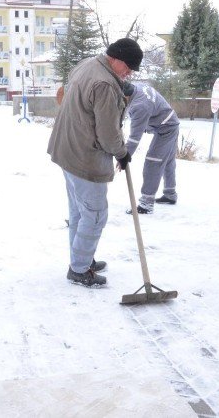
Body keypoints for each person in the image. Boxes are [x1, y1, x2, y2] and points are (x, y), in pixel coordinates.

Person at [47, 37, 143, 287]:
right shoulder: (105, 84)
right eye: (129, 67)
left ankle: (82, 258)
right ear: (116, 58)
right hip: (84, 156)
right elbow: (109, 133)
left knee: (80, 212)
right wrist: (121, 153)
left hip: (66, 148)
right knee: (96, 215)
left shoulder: (88, 65)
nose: (129, 73)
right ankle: (79, 269)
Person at [122, 82, 180, 214]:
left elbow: (134, 138)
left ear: (125, 96)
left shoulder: (140, 106)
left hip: (166, 128)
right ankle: (170, 194)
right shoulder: (137, 86)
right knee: (167, 161)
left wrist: (124, 156)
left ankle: (146, 204)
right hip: (170, 122)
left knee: (153, 162)